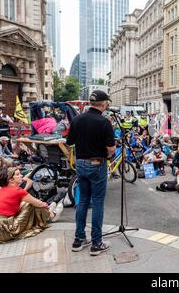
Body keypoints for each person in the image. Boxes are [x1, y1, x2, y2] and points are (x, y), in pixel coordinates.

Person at [66, 90, 116, 256]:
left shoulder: (78, 119)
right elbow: (111, 149)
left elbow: (69, 142)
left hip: (81, 164)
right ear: (102, 104)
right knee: (97, 203)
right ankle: (96, 243)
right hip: (97, 164)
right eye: (106, 103)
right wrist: (107, 155)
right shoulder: (104, 122)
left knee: (83, 201)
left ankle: (79, 239)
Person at [0, 167, 61, 244]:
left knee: (25, 204)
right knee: (31, 204)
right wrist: (45, 205)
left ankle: (47, 213)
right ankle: (52, 215)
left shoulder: (2, 189)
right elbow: (37, 203)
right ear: (11, 179)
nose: (21, 176)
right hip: (3, 230)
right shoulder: (17, 191)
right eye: (18, 174)